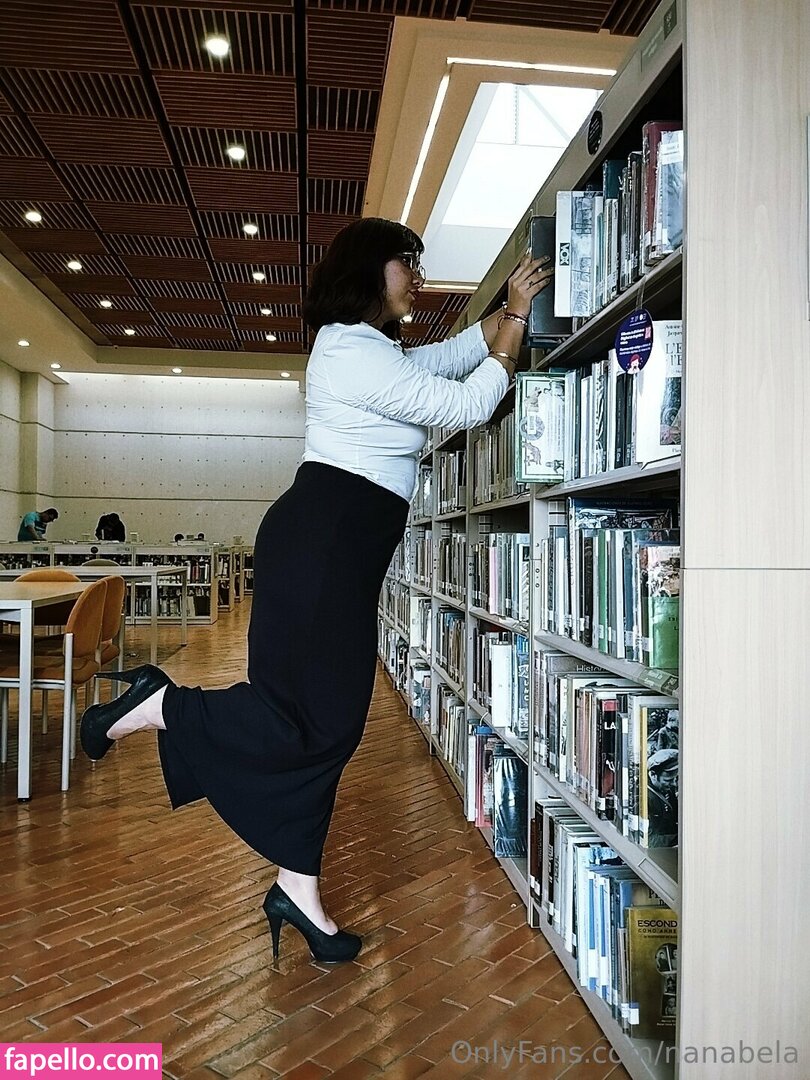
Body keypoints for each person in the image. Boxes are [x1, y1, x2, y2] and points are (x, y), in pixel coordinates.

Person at [79, 217, 553, 965]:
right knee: (311, 718)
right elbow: (464, 406)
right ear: (370, 269)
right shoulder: (346, 347)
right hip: (324, 543)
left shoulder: (371, 348)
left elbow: (442, 360)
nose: (417, 277)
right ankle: (158, 704)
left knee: (328, 721)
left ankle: (297, 890)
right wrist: (516, 320)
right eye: (407, 262)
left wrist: (498, 319)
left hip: (338, 547)